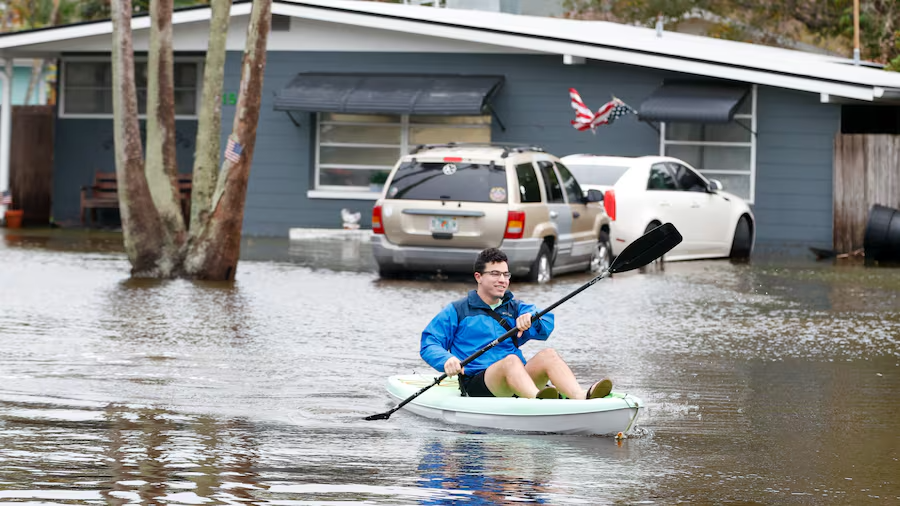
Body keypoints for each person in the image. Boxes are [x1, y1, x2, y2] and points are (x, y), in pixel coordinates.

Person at [420, 247, 613, 399]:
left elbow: (545, 326)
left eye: (506, 275)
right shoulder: (457, 311)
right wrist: (447, 360)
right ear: (478, 277)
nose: (502, 280)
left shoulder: (516, 308)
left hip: (518, 378)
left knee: (549, 355)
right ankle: (538, 401)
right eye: (495, 274)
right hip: (479, 382)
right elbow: (429, 343)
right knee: (510, 361)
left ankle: (580, 396)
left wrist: (531, 318)